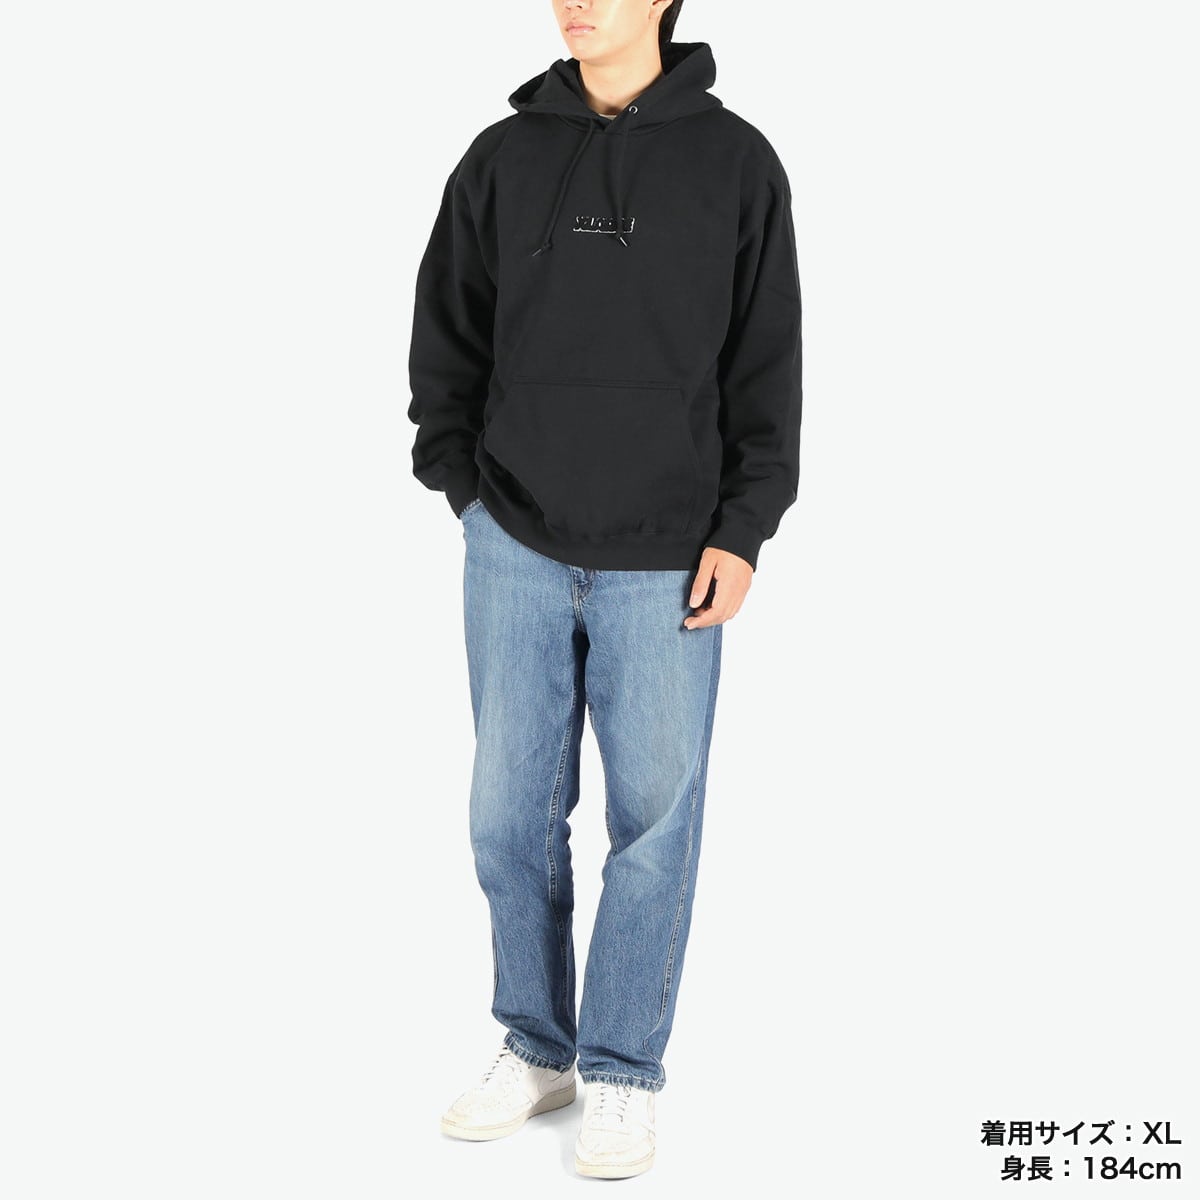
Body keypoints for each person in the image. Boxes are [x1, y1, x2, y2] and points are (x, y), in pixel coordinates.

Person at [406, 0, 801, 1179]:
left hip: (670, 554)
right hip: (515, 541)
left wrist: (745, 529)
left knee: (654, 822)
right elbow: (448, 335)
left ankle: (624, 1069)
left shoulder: (737, 163)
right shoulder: (501, 156)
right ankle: (538, 1047)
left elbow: (766, 363)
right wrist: (465, 488)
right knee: (505, 817)